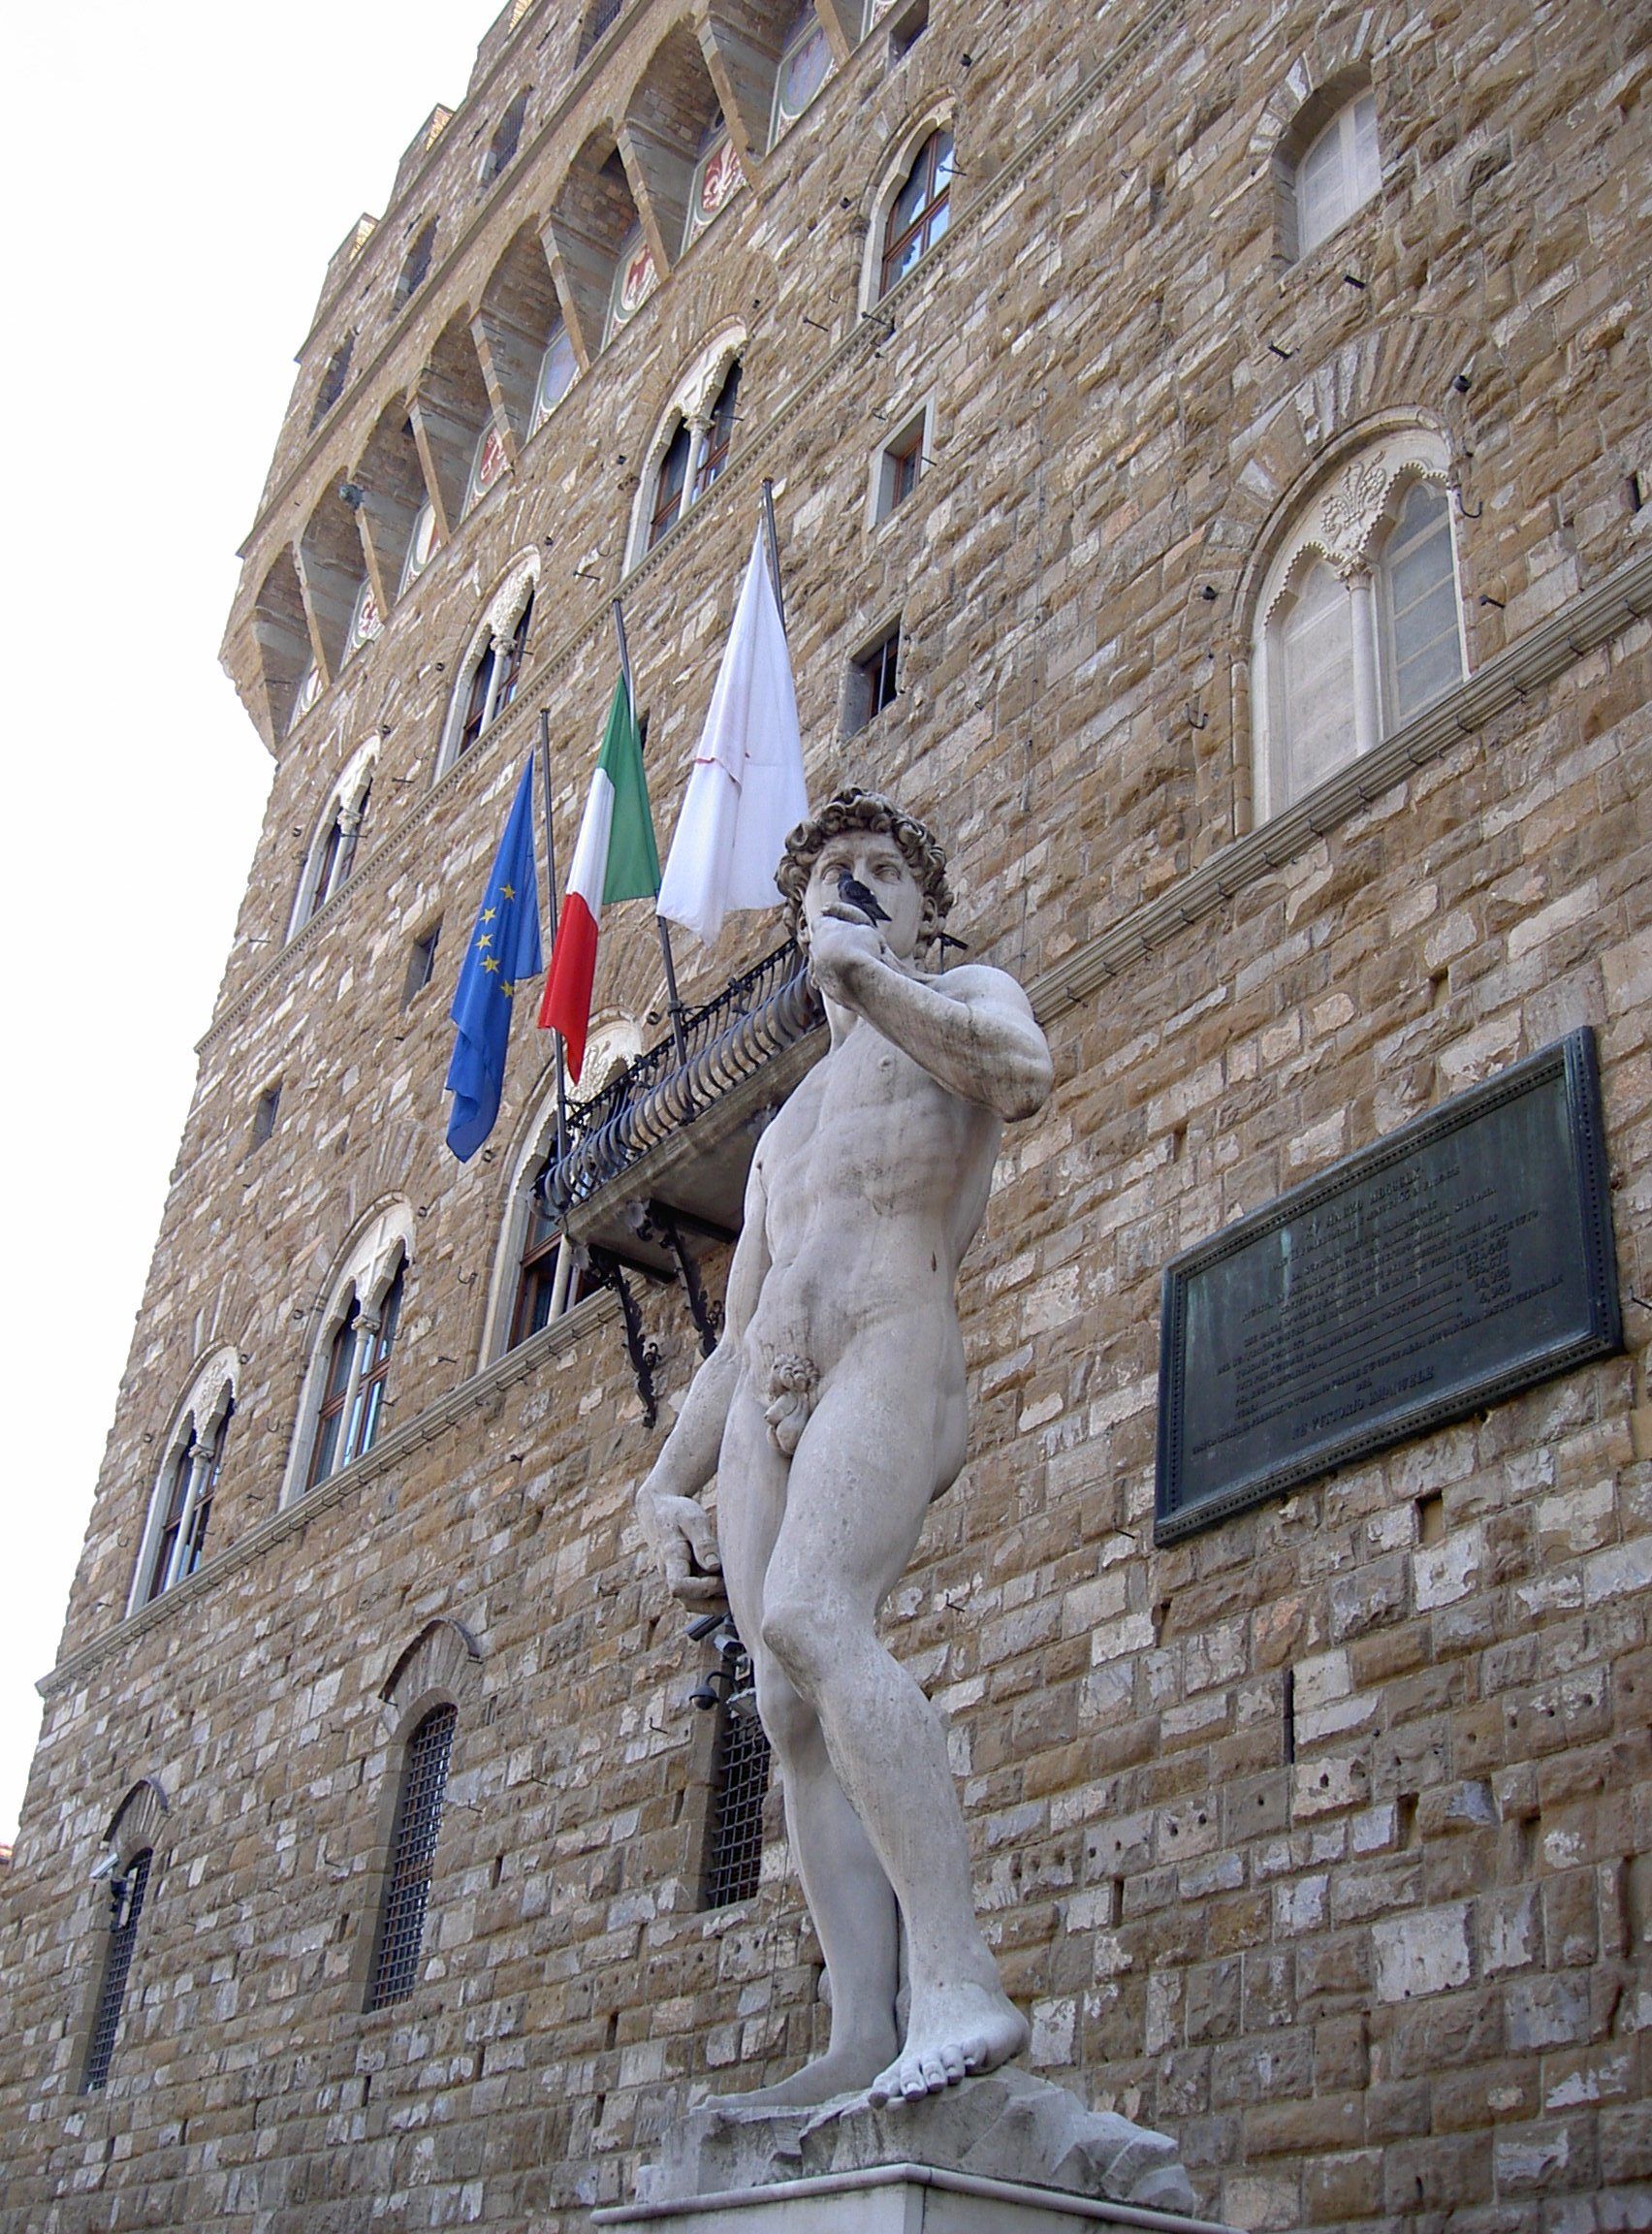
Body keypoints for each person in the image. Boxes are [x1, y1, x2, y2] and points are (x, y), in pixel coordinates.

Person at [635, 788, 1053, 2108]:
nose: (855, 884)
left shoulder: (963, 996)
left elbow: (1022, 1076)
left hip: (893, 1338)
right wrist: (661, 1483)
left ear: (929, 912)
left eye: (882, 870)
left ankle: (959, 1978)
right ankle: (862, 2033)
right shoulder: (786, 1127)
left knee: (819, 1615)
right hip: (772, 1386)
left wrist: (871, 980)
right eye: (833, 873)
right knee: (782, 1700)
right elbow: (737, 1324)